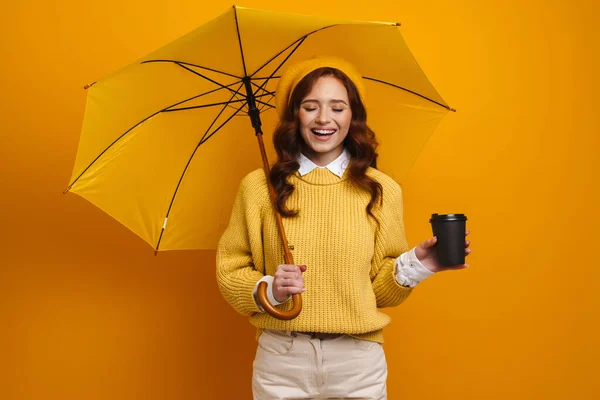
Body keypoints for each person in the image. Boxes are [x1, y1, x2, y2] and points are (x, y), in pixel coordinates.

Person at [216, 57, 471, 400]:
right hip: (282, 360)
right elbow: (229, 271)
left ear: (353, 116)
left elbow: (380, 292)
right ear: (295, 115)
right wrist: (271, 289)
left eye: (337, 107)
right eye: (310, 107)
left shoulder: (381, 190)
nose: (324, 119)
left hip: (357, 363)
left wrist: (418, 264)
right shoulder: (259, 188)